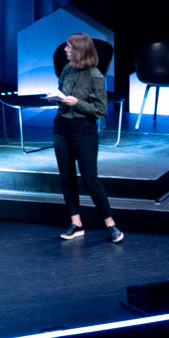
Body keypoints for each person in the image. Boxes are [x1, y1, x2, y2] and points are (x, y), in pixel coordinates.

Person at [53, 32, 121, 241]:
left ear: (80, 51)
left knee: (90, 180)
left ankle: (110, 223)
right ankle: (76, 223)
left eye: (69, 47)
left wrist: (77, 103)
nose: (65, 50)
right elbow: (62, 92)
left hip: (83, 131)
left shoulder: (95, 76)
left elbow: (100, 110)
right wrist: (57, 98)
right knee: (66, 177)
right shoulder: (68, 68)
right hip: (62, 128)